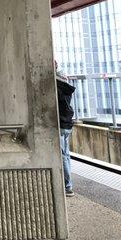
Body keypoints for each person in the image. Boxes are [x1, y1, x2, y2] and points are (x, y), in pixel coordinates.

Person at [55, 60, 76, 197]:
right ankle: (69, 184)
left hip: (61, 125)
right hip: (68, 124)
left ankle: (68, 187)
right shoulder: (67, 88)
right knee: (66, 155)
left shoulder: (57, 89)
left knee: (63, 156)